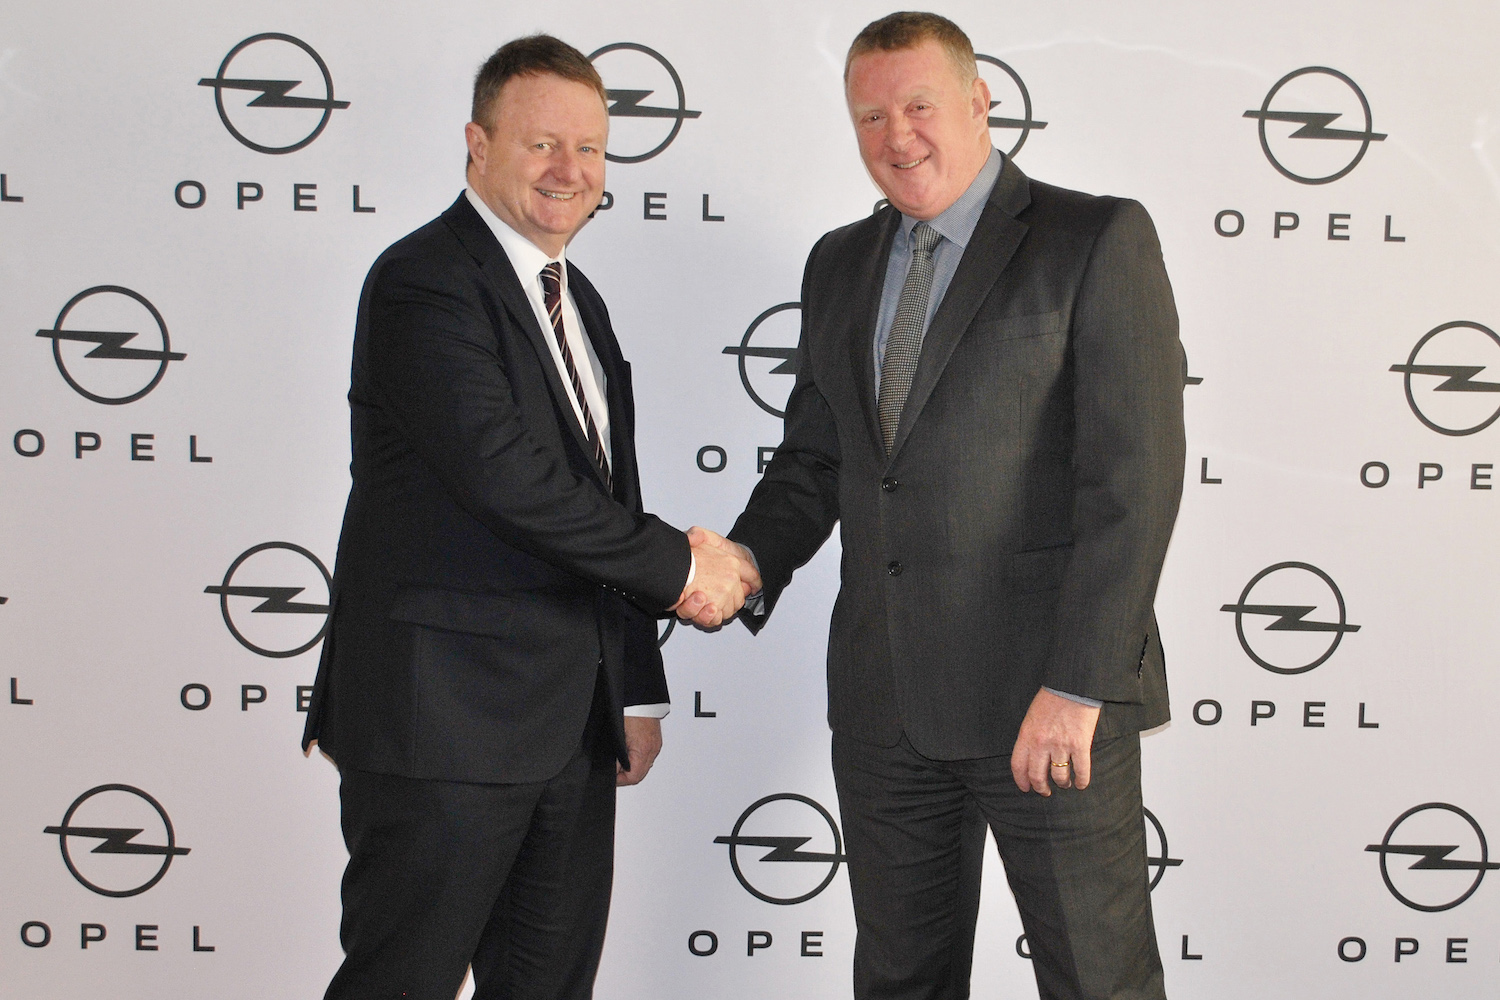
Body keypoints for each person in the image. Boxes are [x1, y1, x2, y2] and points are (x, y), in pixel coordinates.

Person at [701, 12, 1185, 1000]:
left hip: (1047, 703)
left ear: (979, 101)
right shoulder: (838, 262)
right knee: (899, 982)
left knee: (1100, 981)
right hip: (884, 707)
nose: (898, 136)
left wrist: (1080, 686)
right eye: (871, 117)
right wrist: (747, 561)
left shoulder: (1094, 239)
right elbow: (814, 458)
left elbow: (1134, 483)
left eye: (919, 106)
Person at [300, 34, 755, 1000]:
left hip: (570, 728)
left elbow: (606, 497)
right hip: (441, 725)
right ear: (478, 145)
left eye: (589, 148)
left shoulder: (577, 298)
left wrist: (633, 690)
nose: (568, 170)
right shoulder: (424, 280)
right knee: (402, 981)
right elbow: (507, 478)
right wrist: (685, 568)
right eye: (542, 143)